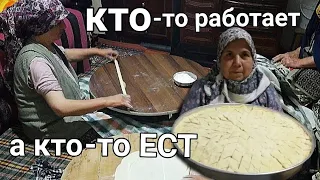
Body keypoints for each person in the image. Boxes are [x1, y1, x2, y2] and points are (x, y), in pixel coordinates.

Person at [0, 0, 132, 143]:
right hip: (50, 129)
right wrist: (108, 101)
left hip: (57, 117)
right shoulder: (36, 62)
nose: (63, 26)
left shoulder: (42, 43)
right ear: (40, 28)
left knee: (114, 115)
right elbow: (60, 107)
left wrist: (97, 51)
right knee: (119, 136)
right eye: (57, 23)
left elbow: (64, 54)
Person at [180, 27, 282, 115]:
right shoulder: (203, 90)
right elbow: (186, 128)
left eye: (244, 55)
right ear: (220, 60)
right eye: (229, 55)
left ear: (253, 61)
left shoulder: (265, 90)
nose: (237, 63)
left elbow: (279, 128)